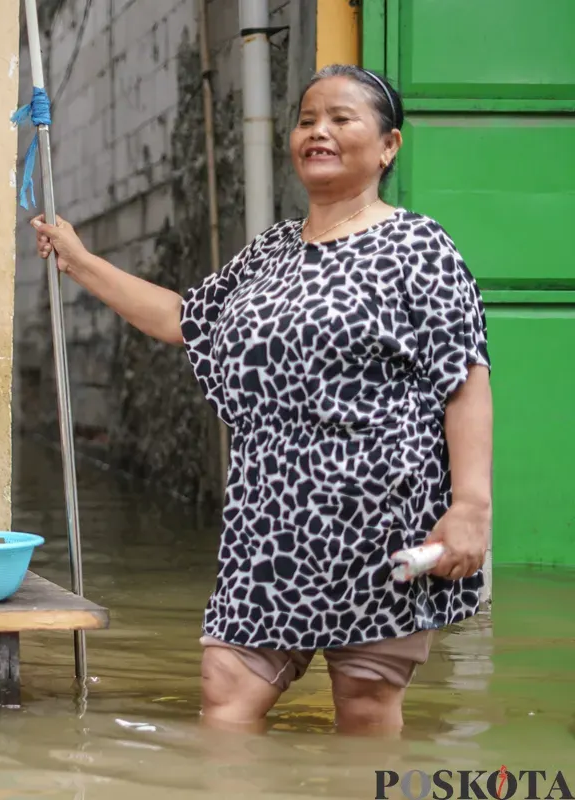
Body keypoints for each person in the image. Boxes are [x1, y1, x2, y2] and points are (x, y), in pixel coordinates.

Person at [32, 65, 492, 735]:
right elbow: (181, 318)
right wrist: (78, 259)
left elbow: (464, 377)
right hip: (267, 522)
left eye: (341, 118)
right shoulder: (272, 252)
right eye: (307, 120)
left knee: (365, 705)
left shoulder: (419, 247)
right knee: (226, 691)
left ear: (389, 145)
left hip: (379, 518)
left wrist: (470, 506)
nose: (318, 132)